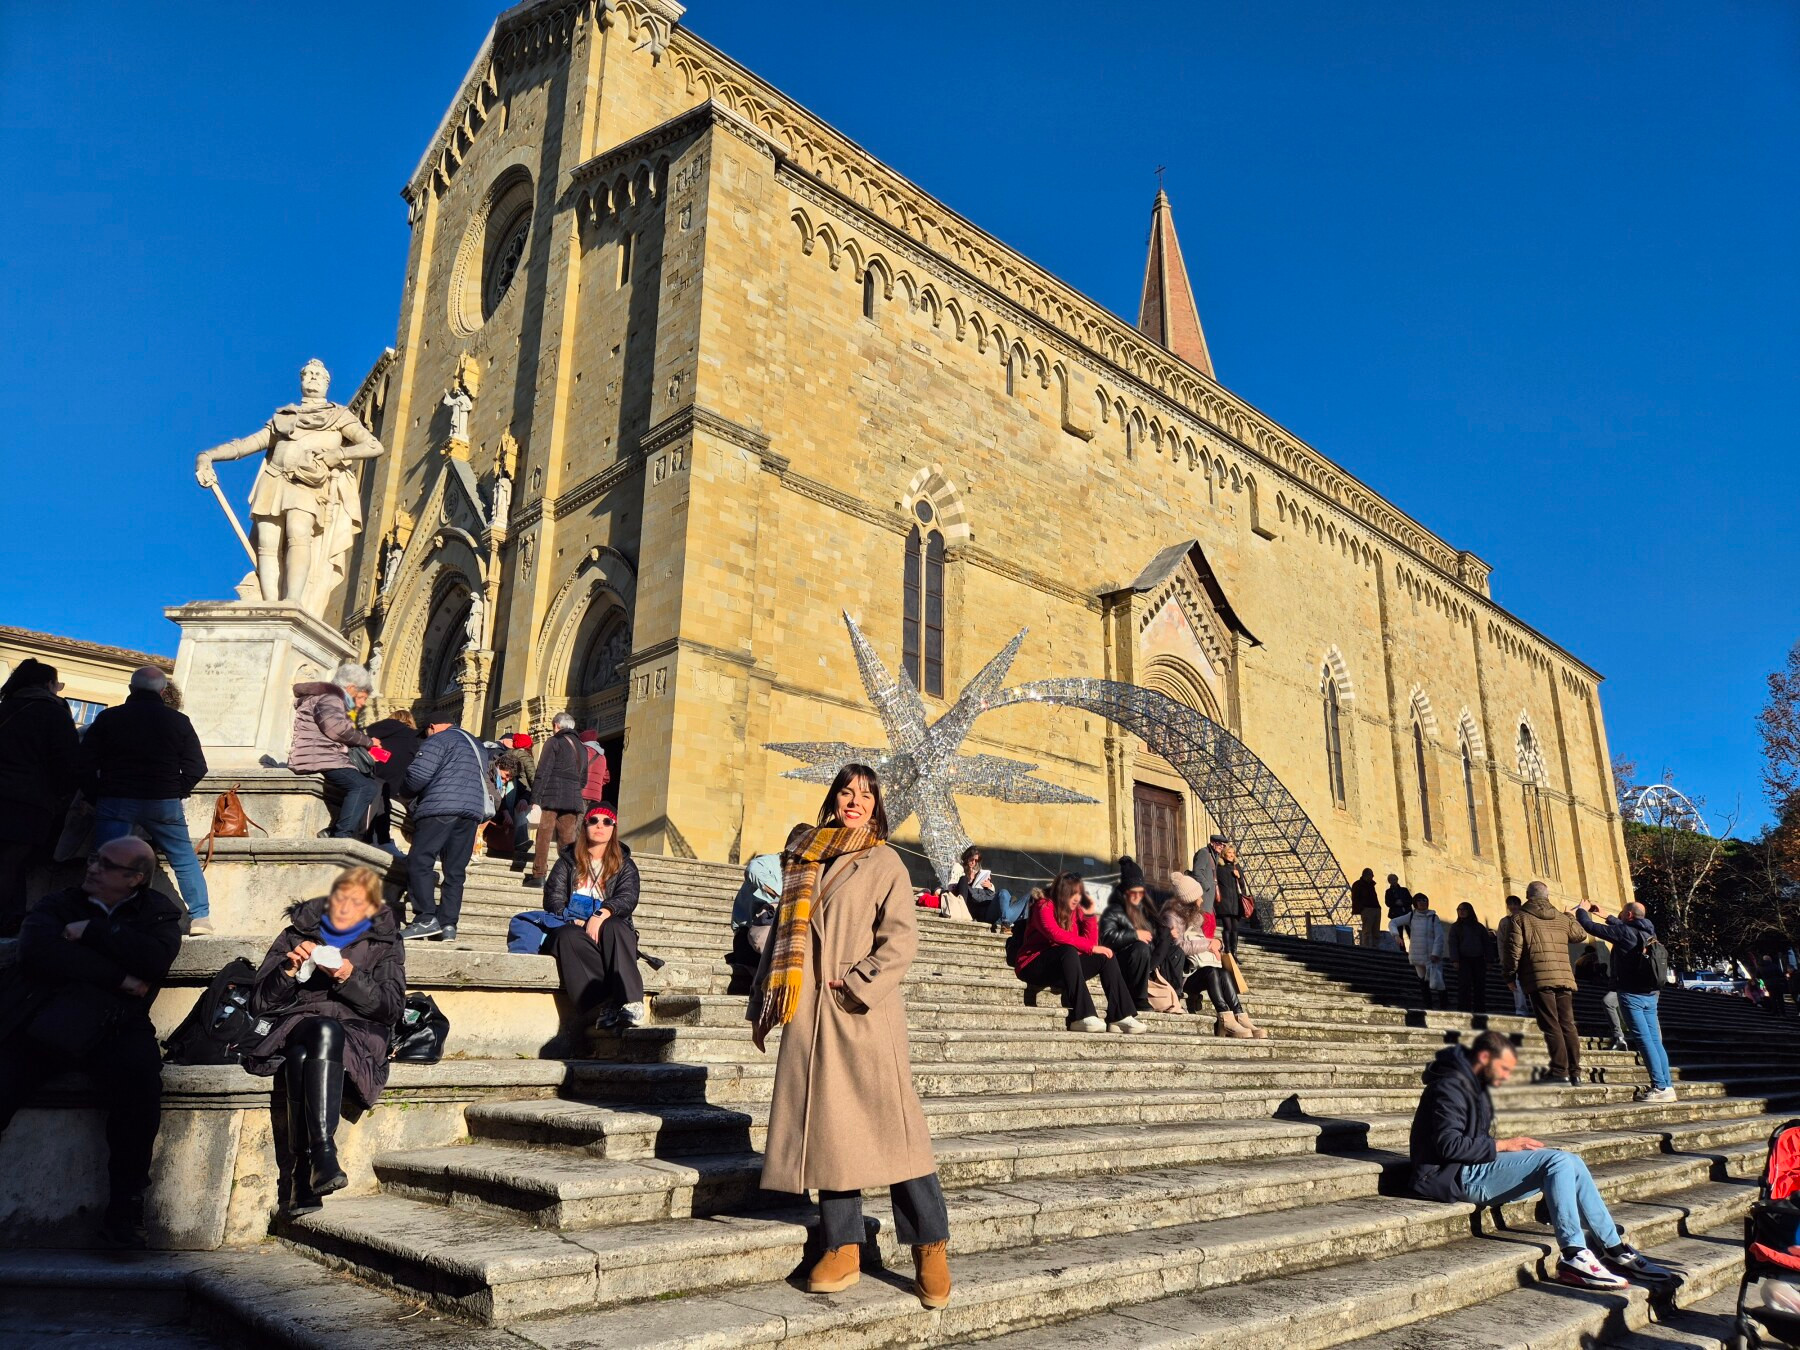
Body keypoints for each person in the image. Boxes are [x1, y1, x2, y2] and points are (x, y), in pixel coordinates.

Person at [748, 764, 952, 1308]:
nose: (854, 801)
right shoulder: (805, 856)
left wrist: (859, 984)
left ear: (877, 805)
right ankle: (842, 1244)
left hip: (860, 1010)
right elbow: (781, 938)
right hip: (810, 1013)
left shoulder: (884, 860)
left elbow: (900, 939)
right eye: (846, 791)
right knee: (831, 1131)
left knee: (898, 1135)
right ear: (833, 798)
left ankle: (930, 1243)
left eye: (865, 794)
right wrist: (763, 1002)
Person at [0, 837, 181, 1247]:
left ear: (134, 878)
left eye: (106, 864)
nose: (93, 867)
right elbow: (38, 953)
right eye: (95, 858)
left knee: (141, 1088)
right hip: (46, 1015)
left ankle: (125, 1209)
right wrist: (119, 976)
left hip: (115, 1024)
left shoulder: (158, 912)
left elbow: (154, 961)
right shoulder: (59, 902)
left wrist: (94, 931)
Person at [1408, 1030, 1673, 1289]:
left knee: (1570, 1160)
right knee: (1555, 1163)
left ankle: (1614, 1247)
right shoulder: (1449, 1087)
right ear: (1485, 1058)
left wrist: (1507, 1148)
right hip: (1449, 1176)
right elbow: (1448, 1145)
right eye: (1503, 1068)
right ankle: (1573, 1254)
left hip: (1469, 1168)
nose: (1506, 1076)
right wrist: (1505, 1144)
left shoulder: (1473, 1087)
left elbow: (1472, 1142)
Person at [242, 867, 405, 1217]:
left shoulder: (385, 943)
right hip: (297, 1022)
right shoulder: (297, 932)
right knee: (321, 1030)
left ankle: (303, 1176)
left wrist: (347, 975)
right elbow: (259, 1003)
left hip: (357, 1031)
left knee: (308, 1051)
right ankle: (324, 1154)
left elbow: (390, 1008)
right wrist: (288, 970)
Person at [79, 665, 212, 934]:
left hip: (116, 797)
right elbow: (197, 766)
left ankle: (98, 910)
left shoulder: (109, 718)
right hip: (163, 801)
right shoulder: (179, 722)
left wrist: (96, 794)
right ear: (163, 692)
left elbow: (83, 761)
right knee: (184, 858)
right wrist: (176, 791)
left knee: (106, 858)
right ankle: (200, 917)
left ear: (130, 689)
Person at [541, 805, 645, 1026]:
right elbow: (553, 900)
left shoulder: (625, 865)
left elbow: (628, 898)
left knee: (615, 925)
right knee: (566, 935)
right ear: (584, 826)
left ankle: (631, 1001)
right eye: (594, 820)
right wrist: (575, 919)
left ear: (613, 829)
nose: (600, 825)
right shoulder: (567, 862)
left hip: (610, 929)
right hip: (575, 928)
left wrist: (601, 914)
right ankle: (602, 1004)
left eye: (607, 822)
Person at [0, 659, 81, 937]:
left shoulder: (4, 708)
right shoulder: (53, 713)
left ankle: (12, 916)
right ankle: (8, 918)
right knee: (12, 862)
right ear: (48, 684)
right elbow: (68, 763)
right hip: (28, 802)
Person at [1013, 871, 1145, 1033]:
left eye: (1079, 893)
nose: (1077, 897)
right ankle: (1082, 1016)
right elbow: (1054, 934)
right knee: (1068, 950)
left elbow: (1089, 944)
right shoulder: (1044, 905)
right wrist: (1091, 947)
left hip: (1064, 966)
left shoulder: (1076, 910)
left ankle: (1120, 1016)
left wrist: (1089, 916)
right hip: (1033, 965)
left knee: (1105, 956)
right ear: (1062, 893)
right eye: (1073, 893)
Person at [398, 717, 492, 941]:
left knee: (420, 860)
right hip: (471, 811)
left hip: (440, 807)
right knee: (455, 871)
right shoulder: (477, 745)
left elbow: (418, 776)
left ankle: (425, 918)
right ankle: (448, 923)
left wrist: (403, 792)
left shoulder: (439, 740)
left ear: (432, 726)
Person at [1576, 901, 1675, 1103]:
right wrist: (1607, 915)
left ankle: (1659, 1086)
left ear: (1629, 915)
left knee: (1645, 1041)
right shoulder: (1649, 931)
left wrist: (1581, 910)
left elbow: (1590, 927)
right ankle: (1667, 1086)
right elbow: (1623, 928)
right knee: (1655, 1041)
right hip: (1651, 994)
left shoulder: (1624, 933)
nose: (1618, 914)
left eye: (1622, 912)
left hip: (1632, 995)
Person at [1503, 881, 1586, 1087]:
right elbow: (1580, 935)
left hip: (1539, 977)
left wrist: (1509, 976)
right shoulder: (1560, 917)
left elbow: (1514, 949)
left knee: (1551, 1024)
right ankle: (1576, 1072)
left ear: (1527, 896)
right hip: (1564, 978)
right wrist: (1569, 916)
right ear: (1547, 896)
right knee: (1567, 1023)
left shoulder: (1520, 917)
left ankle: (1560, 1071)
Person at [1166, 872, 1268, 1038]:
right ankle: (1224, 1019)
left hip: (1198, 969)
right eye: (1198, 897)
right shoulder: (1172, 917)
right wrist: (1208, 944)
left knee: (1222, 972)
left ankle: (1239, 1015)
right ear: (1189, 899)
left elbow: (1203, 940)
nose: (1202, 900)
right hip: (1183, 974)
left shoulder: (1194, 917)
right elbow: (1178, 947)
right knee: (1212, 972)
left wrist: (1217, 943)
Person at [287, 663, 380, 843]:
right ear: (351, 687)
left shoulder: (327, 698)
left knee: (366, 783)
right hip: (320, 757)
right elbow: (336, 729)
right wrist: (369, 742)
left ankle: (334, 831)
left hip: (323, 756)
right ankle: (340, 836)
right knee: (364, 787)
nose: (360, 704)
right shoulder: (331, 698)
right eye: (360, 697)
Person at [729, 824, 812, 969]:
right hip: (750, 936)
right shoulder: (770, 862)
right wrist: (785, 895)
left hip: (779, 939)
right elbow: (753, 870)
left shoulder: (801, 872)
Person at [527, 714, 587, 886]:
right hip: (573, 798)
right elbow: (584, 779)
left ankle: (539, 875)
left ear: (556, 726)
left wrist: (535, 798)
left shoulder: (554, 742)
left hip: (551, 796)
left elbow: (542, 772)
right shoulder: (582, 748)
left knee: (544, 836)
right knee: (567, 839)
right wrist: (573, 790)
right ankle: (569, 877)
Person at [1099, 859, 1161, 1006]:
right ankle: (1139, 998)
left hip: (1142, 961)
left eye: (1141, 892)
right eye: (1133, 892)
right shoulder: (1113, 910)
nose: (1137, 896)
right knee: (1140, 947)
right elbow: (1106, 937)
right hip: (1120, 960)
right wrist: (1134, 935)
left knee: (1172, 949)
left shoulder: (1144, 911)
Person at [362, 708, 420, 859]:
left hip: (374, 783)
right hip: (398, 790)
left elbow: (381, 760)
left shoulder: (375, 734)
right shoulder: (413, 739)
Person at [947, 845, 1025, 930]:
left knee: (1010, 893)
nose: (973, 862)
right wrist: (969, 881)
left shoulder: (976, 872)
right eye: (971, 859)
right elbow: (952, 887)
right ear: (966, 857)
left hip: (985, 904)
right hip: (971, 906)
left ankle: (1011, 923)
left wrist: (989, 885)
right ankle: (1006, 922)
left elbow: (990, 893)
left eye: (976, 860)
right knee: (964, 879)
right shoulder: (959, 868)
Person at [1390, 893, 1448, 1010]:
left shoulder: (1433, 917)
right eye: (1420, 900)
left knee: (1438, 982)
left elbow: (1439, 936)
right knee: (1423, 982)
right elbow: (1393, 922)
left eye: (1424, 900)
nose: (1422, 902)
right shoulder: (1411, 916)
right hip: (1417, 955)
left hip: (1431, 955)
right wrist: (1396, 935)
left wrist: (1436, 953)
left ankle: (1444, 1006)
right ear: (1415, 903)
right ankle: (1428, 1006)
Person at [495, 733, 536, 858]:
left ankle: (513, 840)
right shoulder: (524, 755)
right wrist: (535, 794)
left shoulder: (507, 754)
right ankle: (521, 840)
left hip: (511, 789)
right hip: (521, 789)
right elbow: (533, 776)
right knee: (520, 811)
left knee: (513, 811)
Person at [1450, 902, 1491, 1016]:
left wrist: (1489, 960)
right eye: (1459, 909)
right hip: (1463, 960)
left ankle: (1480, 1009)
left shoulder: (1479, 927)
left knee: (1479, 985)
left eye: (1464, 909)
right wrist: (1455, 960)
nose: (1461, 911)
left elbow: (1486, 943)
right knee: (1464, 985)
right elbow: (1453, 944)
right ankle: (1464, 1009)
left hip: (1478, 959)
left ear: (1470, 911)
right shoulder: (1455, 927)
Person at [1495, 896, 1532, 1016]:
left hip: (1526, 955)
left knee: (1532, 984)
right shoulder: (1504, 921)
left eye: (1515, 904)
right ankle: (1521, 1009)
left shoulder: (1526, 919)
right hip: (1512, 956)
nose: (1513, 907)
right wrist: (1503, 958)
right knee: (1516, 984)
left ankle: (1536, 1008)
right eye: (1510, 904)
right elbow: (1500, 941)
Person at [576, 728, 611, 808]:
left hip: (581, 793)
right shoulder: (602, 757)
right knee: (589, 818)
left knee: (578, 818)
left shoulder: (582, 752)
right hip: (596, 795)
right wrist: (596, 785)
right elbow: (606, 778)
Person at [1349, 868, 1381, 948]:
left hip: (1375, 909)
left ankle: (1375, 946)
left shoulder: (1371, 885)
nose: (1373, 876)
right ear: (1366, 875)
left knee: (1376, 931)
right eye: (1371, 874)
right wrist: (1362, 909)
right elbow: (1355, 898)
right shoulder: (1358, 884)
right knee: (1367, 930)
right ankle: (1366, 947)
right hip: (1367, 909)